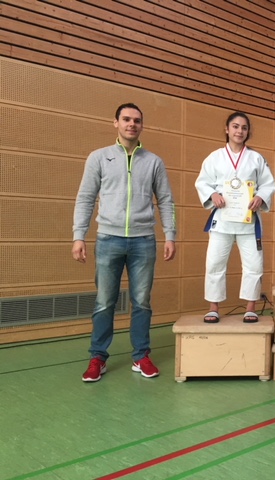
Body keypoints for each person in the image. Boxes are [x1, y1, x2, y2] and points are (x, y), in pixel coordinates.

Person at [72, 103, 177, 382]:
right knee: (104, 302)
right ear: (116, 122)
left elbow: (166, 200)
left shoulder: (153, 162)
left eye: (137, 120)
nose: (132, 124)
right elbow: (85, 198)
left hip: (143, 240)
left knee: (141, 302)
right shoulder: (99, 157)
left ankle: (141, 356)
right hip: (108, 239)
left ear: (142, 126)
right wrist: (79, 235)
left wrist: (170, 235)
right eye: (127, 119)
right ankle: (98, 357)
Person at [195, 112, 275, 324]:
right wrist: (212, 195)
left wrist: (260, 197)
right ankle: (213, 308)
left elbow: (268, 184)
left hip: (248, 221)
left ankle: (250, 308)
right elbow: (202, 182)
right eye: (235, 126)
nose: (239, 131)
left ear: (248, 132)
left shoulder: (256, 158)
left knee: (254, 265)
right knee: (215, 263)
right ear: (227, 129)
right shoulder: (214, 158)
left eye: (244, 127)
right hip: (222, 220)